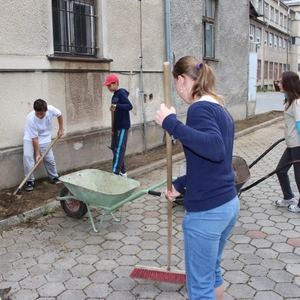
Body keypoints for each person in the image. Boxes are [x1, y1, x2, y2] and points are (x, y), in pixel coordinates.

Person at [155, 56, 240, 300]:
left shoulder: (199, 108)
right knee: (212, 273)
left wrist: (172, 123)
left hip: (207, 212)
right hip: (227, 204)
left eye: (176, 85)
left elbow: (214, 149)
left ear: (181, 80)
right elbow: (212, 162)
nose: (178, 91)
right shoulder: (219, 107)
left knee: (200, 288)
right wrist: (181, 184)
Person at [23, 99, 64, 191]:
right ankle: (29, 181)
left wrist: (61, 129)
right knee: (28, 156)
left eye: (42, 113)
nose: (40, 116)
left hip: (45, 136)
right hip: (30, 137)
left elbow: (59, 114)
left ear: (46, 110)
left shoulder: (51, 109)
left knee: (49, 158)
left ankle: (54, 177)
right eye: (38, 113)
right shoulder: (31, 118)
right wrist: (37, 154)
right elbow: (35, 138)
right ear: (35, 111)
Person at [274, 71, 300, 213]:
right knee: (281, 170)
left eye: (281, 82)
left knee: (299, 176)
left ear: (288, 84)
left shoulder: (296, 103)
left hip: (297, 145)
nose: (278, 84)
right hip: (291, 145)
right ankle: (289, 197)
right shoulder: (290, 100)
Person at [103, 74, 133, 177]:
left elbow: (129, 106)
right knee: (115, 148)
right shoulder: (115, 95)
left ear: (116, 83)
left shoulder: (121, 93)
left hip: (123, 126)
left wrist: (117, 106)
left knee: (119, 149)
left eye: (109, 85)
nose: (108, 88)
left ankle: (115, 172)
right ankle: (123, 172)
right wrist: (113, 128)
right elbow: (115, 112)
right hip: (117, 127)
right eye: (107, 86)